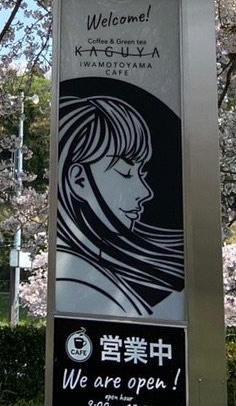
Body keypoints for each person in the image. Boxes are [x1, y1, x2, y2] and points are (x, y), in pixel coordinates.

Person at [55, 92, 184, 318]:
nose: (145, 192)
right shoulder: (82, 283)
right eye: (125, 173)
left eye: (140, 173)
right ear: (79, 180)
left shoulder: (94, 275)